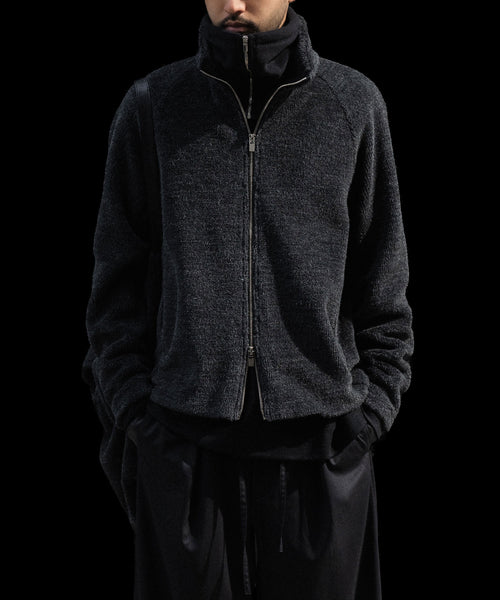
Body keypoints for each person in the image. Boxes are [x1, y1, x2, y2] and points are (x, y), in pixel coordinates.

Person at [82, 1, 414, 598]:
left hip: (322, 450)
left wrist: (370, 414)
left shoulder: (352, 104)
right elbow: (114, 288)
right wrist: (136, 416)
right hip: (186, 449)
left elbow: (383, 279)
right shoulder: (154, 105)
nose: (233, 5)